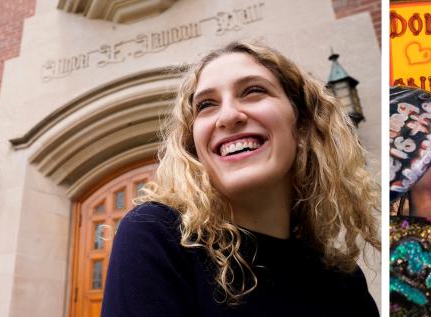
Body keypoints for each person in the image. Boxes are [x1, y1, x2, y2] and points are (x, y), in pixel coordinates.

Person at [101, 41, 380, 316]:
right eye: (206, 104)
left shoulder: (345, 284)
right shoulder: (158, 235)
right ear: (193, 144)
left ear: (303, 125)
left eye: (253, 91)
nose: (229, 116)